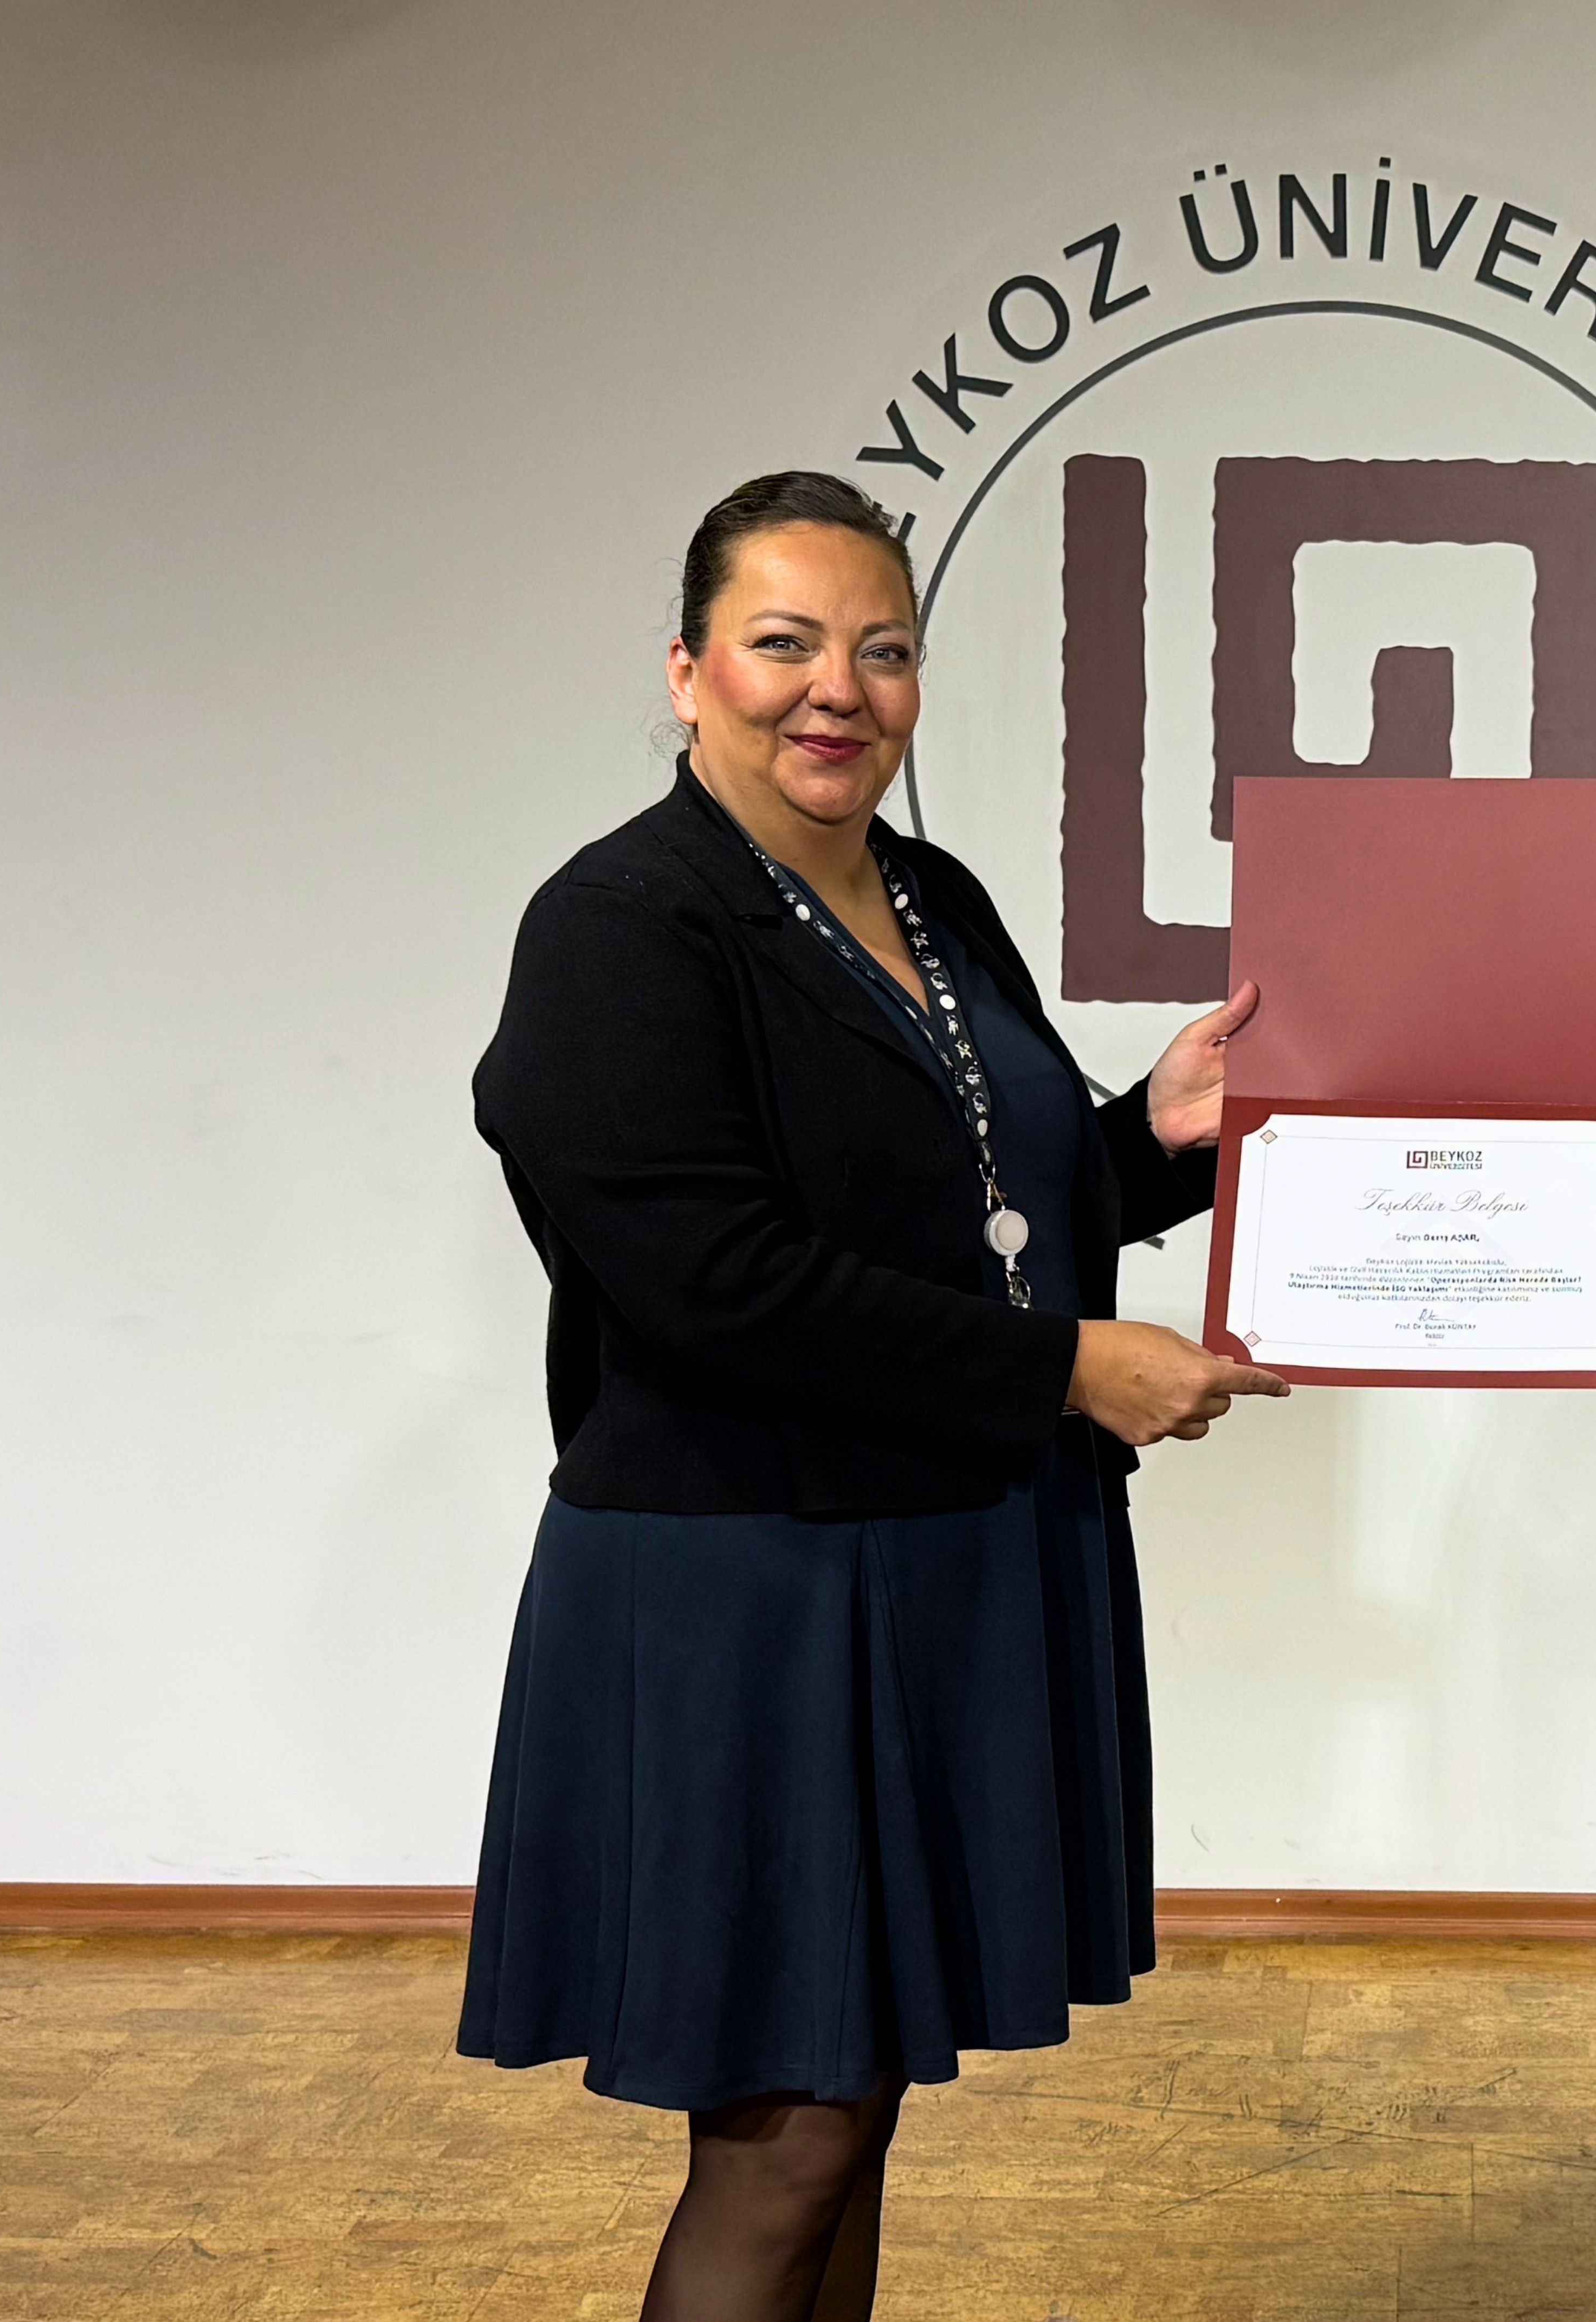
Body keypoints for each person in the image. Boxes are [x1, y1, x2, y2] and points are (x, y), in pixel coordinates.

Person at [455, 472, 1287, 2322]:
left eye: (883, 649)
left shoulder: (931, 892)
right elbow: (716, 1286)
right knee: (789, 2128)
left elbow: (977, 1204)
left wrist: (1154, 1138)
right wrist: (1068, 1366)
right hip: (747, 1586)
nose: (838, 688)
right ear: (688, 671)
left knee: (857, 2097)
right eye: (785, 643)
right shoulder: (620, 923)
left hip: (933, 1553)